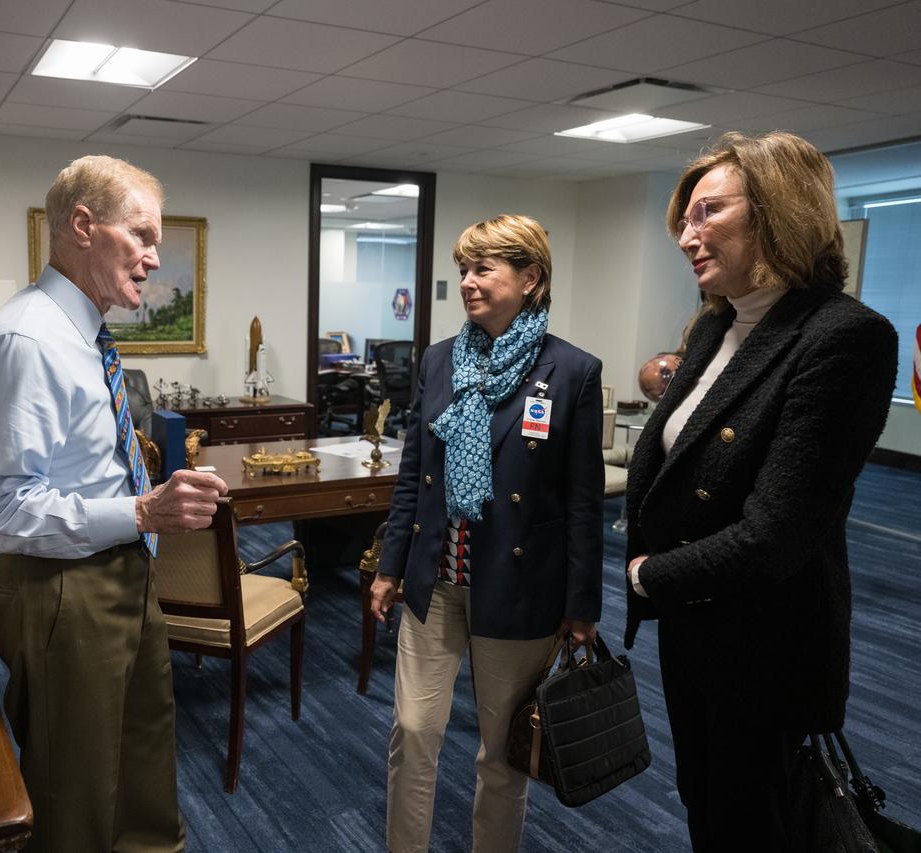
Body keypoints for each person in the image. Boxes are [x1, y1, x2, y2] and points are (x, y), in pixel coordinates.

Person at [623, 131, 898, 851]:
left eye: (706, 212)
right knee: (706, 812)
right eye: (684, 218)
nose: (687, 235)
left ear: (778, 211)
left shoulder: (844, 336)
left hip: (766, 647)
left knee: (759, 828)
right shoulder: (715, 327)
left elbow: (777, 533)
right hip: (693, 631)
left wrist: (651, 573)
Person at [0, 155, 228, 853]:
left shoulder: (86, 338)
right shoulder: (26, 339)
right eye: (139, 235)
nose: (152, 256)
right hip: (62, 590)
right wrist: (140, 512)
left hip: (121, 574)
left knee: (141, 765)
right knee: (74, 795)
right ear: (83, 225)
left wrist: (142, 510)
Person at [370, 214, 604, 853]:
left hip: (521, 584)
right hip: (435, 578)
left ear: (531, 278)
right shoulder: (440, 360)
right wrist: (390, 565)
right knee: (413, 730)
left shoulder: (573, 372)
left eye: (483, 269)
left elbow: (584, 501)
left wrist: (583, 604)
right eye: (464, 270)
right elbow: (415, 469)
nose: (468, 283)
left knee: (501, 752)